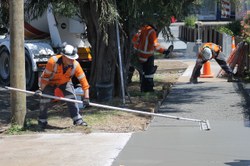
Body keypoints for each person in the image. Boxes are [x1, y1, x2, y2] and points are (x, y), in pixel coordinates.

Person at [36, 44, 90, 129]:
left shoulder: (76, 65)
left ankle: (77, 120)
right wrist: (40, 90)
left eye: (73, 58)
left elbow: (83, 81)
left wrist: (86, 97)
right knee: (45, 99)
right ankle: (42, 121)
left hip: (65, 82)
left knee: (71, 97)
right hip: (50, 82)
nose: (72, 60)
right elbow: (45, 78)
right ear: (64, 56)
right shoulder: (52, 61)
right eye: (70, 58)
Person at [130, 24, 173, 92]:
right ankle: (149, 89)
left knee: (144, 72)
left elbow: (134, 40)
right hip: (148, 55)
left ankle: (143, 88)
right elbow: (155, 45)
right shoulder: (151, 32)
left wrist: (136, 49)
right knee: (149, 74)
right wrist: (164, 51)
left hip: (140, 54)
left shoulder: (142, 29)